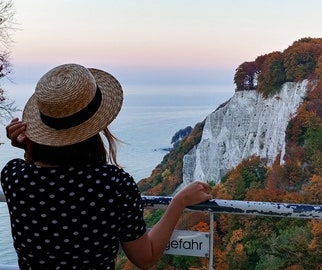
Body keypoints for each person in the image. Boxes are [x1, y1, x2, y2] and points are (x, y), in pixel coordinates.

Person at [1, 63, 212, 270]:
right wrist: (179, 201)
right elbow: (145, 258)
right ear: (95, 126)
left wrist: (29, 149)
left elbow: (41, 174)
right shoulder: (113, 183)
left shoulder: (14, 176)